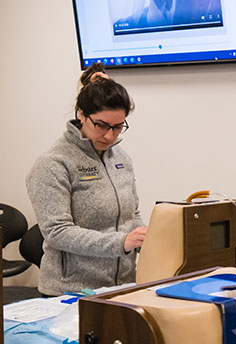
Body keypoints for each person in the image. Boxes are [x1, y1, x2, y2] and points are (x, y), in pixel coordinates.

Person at [26, 63, 147, 296]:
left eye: (118, 127)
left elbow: (132, 214)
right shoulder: (54, 162)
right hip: (70, 292)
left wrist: (145, 237)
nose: (110, 135)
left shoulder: (121, 158)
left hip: (122, 286)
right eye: (101, 125)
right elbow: (58, 232)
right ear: (82, 114)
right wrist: (121, 243)